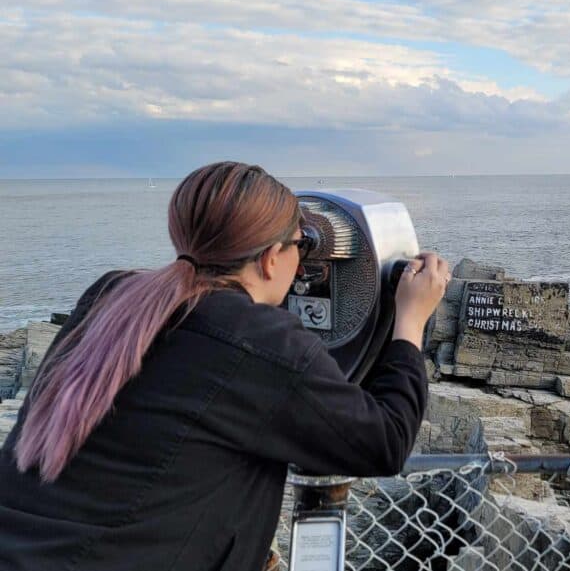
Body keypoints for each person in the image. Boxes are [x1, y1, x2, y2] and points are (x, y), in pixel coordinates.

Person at [0, 161, 448, 570]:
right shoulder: (258, 340)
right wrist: (409, 320)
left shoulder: (112, 295)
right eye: (299, 248)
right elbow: (385, 441)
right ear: (273, 258)